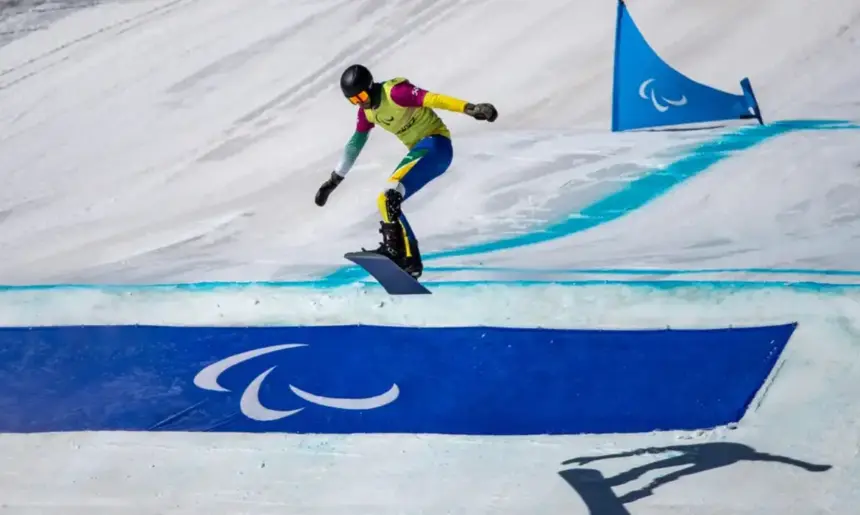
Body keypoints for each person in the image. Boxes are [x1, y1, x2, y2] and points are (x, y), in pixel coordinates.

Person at [314, 64, 498, 279]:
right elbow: (355, 143)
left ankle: (396, 252)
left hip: (435, 145)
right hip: (424, 152)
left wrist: (470, 108)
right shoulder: (367, 113)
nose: (361, 102)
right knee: (386, 199)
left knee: (391, 193)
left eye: (362, 95)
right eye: (354, 100)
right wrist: (334, 180)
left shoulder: (395, 93)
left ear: (370, 86)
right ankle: (410, 261)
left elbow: (433, 99)